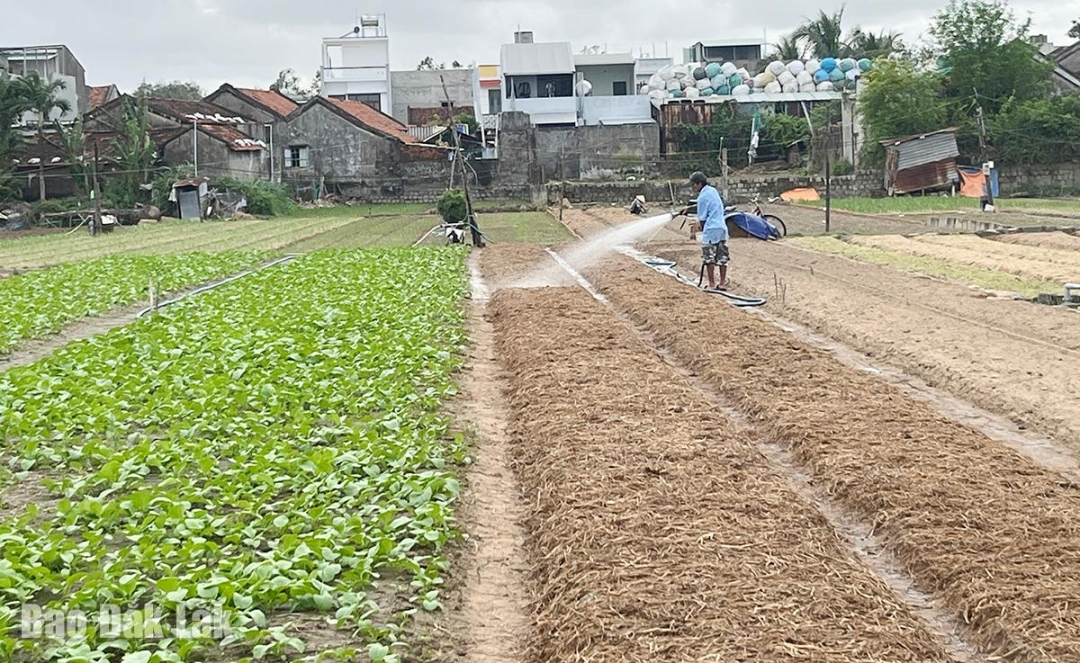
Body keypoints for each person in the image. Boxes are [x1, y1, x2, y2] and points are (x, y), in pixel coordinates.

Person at [681, 172, 729, 291]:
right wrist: (689, 208)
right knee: (722, 256)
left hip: (711, 228)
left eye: (694, 185)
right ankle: (722, 283)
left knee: (709, 258)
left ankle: (712, 284)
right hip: (722, 227)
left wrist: (697, 230)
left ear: (699, 183)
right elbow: (709, 204)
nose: (693, 187)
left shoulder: (702, 197)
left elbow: (702, 219)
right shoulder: (712, 191)